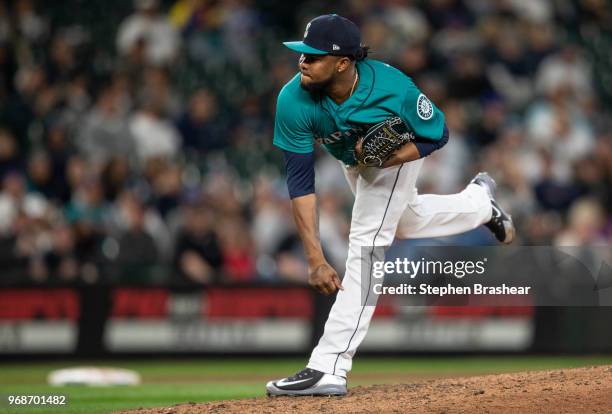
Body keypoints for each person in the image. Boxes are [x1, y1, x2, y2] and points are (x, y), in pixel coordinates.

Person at [265, 14, 515, 397]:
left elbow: (438, 133)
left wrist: (390, 159)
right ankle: (481, 204)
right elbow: (300, 184)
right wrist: (314, 258)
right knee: (406, 222)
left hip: (393, 159)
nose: (302, 62)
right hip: (352, 160)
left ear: (343, 62)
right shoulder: (293, 99)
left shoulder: (392, 87)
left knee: (367, 244)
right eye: (302, 54)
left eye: (313, 57)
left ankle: (329, 365)